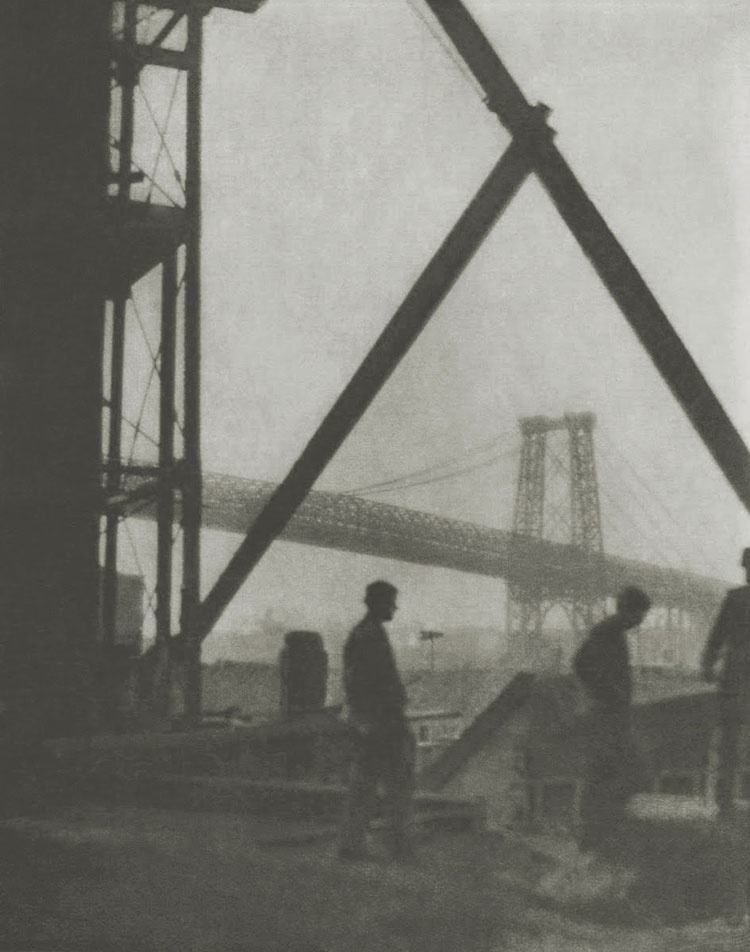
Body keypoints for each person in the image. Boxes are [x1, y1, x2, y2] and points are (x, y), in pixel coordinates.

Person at [339, 580, 415, 861]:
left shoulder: (364, 633)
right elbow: (365, 683)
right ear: (378, 604)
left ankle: (353, 844)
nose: (395, 608)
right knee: (397, 785)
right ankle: (398, 846)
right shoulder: (370, 636)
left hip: (374, 721)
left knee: (366, 784)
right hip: (383, 722)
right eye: (391, 603)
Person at [573, 585, 651, 855]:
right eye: (640, 614)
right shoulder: (608, 632)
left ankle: (596, 836)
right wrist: (608, 692)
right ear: (629, 610)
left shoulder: (612, 632)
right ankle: (592, 838)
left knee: (609, 772)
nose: (640, 621)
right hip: (606, 715)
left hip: (612, 714)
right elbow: (581, 664)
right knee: (607, 772)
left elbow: (582, 664)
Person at [701, 547, 750, 819]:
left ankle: (725, 800)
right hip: (737, 678)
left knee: (729, 740)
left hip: (734, 677)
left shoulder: (734, 599)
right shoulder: (735, 599)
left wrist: (708, 663)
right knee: (731, 740)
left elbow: (716, 636)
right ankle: (725, 800)